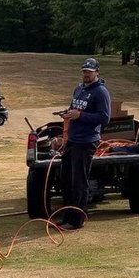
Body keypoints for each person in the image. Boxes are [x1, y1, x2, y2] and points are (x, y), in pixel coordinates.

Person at [59, 58, 111, 230]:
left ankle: (77, 220)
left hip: (86, 141)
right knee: (66, 179)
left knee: (79, 182)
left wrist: (80, 116)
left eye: (89, 71)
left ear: (97, 72)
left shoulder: (101, 92)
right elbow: (74, 108)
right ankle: (66, 216)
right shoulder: (79, 88)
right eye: (84, 71)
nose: (86, 74)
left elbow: (104, 118)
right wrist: (67, 113)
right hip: (72, 140)